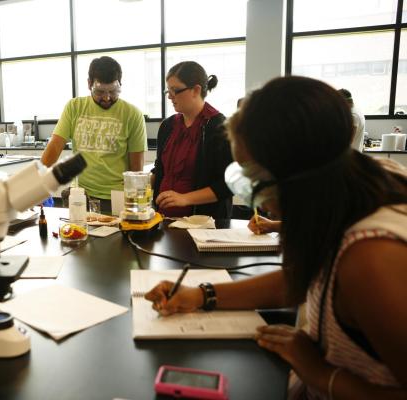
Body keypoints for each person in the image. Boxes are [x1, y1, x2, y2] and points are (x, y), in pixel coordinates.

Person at [145, 76, 407, 399]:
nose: (256, 195)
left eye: (256, 177)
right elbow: (299, 280)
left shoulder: (372, 258)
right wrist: (201, 295)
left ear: (296, 173)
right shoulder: (358, 182)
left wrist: (321, 374)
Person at [40, 56, 147, 211]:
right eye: (100, 92)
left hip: (116, 198)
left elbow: (136, 169)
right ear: (89, 84)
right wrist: (38, 185)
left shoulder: (132, 114)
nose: (107, 98)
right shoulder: (74, 107)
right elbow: (55, 146)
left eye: (113, 91)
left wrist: (134, 206)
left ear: (120, 85)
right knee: (78, 234)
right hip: (81, 196)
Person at [151, 61, 233, 218]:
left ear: (196, 90)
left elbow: (228, 184)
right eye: (168, 91)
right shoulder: (168, 126)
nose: (170, 97)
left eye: (175, 91)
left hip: (204, 224)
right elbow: (160, 169)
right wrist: (140, 182)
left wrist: (185, 198)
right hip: (165, 218)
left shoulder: (219, 128)